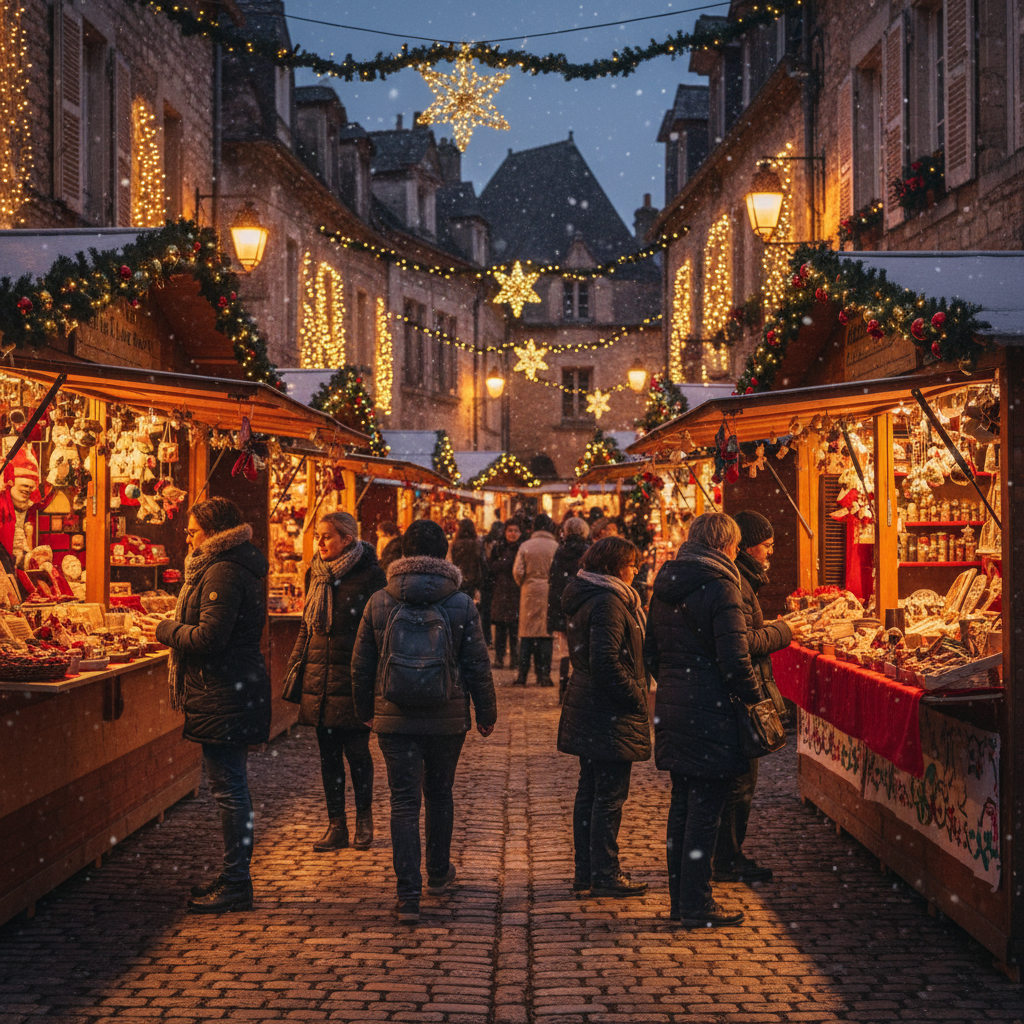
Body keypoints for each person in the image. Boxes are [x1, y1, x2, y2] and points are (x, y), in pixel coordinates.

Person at [351, 519, 497, 925]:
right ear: (444, 552)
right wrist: (486, 712)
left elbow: (361, 664)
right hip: (446, 716)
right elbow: (477, 665)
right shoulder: (460, 603)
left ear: (401, 551)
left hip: (394, 717)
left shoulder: (380, 600)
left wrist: (365, 709)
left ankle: (408, 894)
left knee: (403, 800)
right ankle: (437, 871)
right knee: (439, 792)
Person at [643, 511, 762, 928]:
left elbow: (651, 652)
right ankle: (695, 902)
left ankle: (682, 898)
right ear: (728, 546)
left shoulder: (665, 585)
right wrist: (752, 695)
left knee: (682, 806)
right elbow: (735, 659)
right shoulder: (722, 586)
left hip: (675, 706)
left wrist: (677, 685)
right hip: (712, 711)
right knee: (705, 810)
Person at [156, 496, 271, 914]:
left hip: (226, 689)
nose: (187, 535)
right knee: (230, 787)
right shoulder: (232, 564)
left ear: (213, 531)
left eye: (192, 530)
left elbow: (210, 638)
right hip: (230, 686)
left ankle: (237, 882)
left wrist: (166, 629)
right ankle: (234, 876)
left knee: (230, 790)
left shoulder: (222, 569)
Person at [283, 511, 386, 852]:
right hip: (319, 673)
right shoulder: (315, 572)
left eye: (327, 536)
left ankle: (364, 819)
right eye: (318, 536)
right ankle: (336, 824)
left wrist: (371, 674)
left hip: (353, 674)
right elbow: (307, 624)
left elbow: (377, 630)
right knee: (328, 756)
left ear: (347, 539)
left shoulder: (371, 576)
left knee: (357, 752)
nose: (321, 543)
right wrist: (297, 662)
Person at [558, 536, 651, 896]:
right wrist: (637, 697)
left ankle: (588, 871)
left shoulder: (591, 596)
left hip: (590, 705)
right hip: (606, 711)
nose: (636, 570)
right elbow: (606, 663)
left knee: (591, 791)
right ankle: (606, 873)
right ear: (614, 567)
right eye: (631, 564)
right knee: (608, 796)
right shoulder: (609, 602)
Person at [712, 510, 800, 883]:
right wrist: (783, 632)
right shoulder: (735, 583)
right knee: (738, 782)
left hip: (716, 700)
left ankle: (719, 858)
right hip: (735, 699)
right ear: (742, 546)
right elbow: (742, 644)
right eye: (766, 546)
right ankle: (726, 859)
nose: (771, 553)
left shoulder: (738, 579)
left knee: (728, 784)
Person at [512, 513, 559, 687]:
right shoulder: (555, 546)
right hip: (548, 590)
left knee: (526, 634)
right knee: (545, 634)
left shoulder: (526, 546)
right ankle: (544, 675)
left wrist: (525, 583)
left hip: (529, 590)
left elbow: (518, 571)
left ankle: (522, 675)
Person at [547, 517, 590, 696]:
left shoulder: (560, 551)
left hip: (562, 604)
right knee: (582, 646)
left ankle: (563, 685)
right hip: (582, 604)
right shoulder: (588, 551)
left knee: (564, 648)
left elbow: (554, 579)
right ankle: (579, 687)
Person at [489, 519, 523, 669]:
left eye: (516, 531)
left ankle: (515, 659)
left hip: (517, 591)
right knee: (501, 629)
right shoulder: (498, 548)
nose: (512, 534)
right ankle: (499, 657)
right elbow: (491, 567)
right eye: (510, 530)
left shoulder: (522, 548)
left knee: (514, 629)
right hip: (501, 591)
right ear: (505, 532)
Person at [449, 518, 485, 598]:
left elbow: (453, 561)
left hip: (459, 578)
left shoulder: (455, 544)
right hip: (473, 579)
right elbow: (481, 561)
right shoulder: (477, 544)